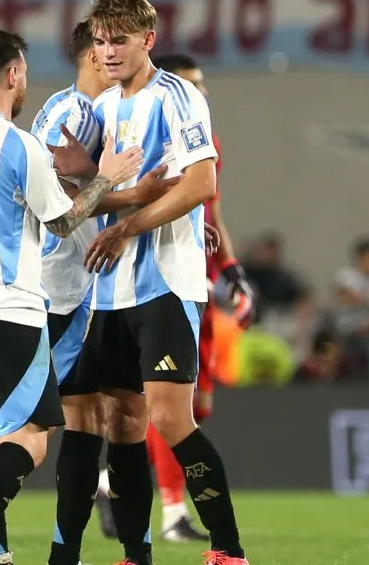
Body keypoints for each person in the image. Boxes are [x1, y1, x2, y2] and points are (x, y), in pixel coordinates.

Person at [0, 28, 145, 565]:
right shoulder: (19, 144)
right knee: (32, 439)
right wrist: (104, 179)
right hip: (10, 312)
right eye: (25, 75)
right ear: (13, 74)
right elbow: (62, 222)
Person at [52, 0, 255, 564]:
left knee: (170, 417)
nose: (109, 50)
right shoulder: (104, 107)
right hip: (108, 289)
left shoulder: (178, 96)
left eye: (120, 39)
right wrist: (86, 183)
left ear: (148, 40)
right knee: (123, 422)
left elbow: (200, 184)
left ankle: (227, 550)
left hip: (165, 283)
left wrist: (127, 226)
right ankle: (136, 555)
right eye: (100, 39)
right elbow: (88, 199)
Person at [105, 52, 253, 543]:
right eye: (190, 83)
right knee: (158, 413)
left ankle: (121, 492)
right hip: (148, 284)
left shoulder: (204, 141)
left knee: (190, 408)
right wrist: (131, 221)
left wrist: (230, 267)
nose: (199, 92)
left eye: (201, 84)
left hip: (194, 281)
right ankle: (174, 518)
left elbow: (209, 207)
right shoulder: (143, 128)